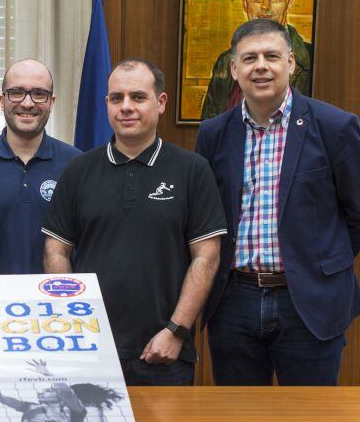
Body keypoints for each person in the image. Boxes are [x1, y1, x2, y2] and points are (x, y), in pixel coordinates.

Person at [196, 19, 360, 385]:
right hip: (234, 302)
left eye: (271, 56)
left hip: (308, 300)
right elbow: (206, 216)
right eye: (249, 58)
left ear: (291, 63)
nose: (260, 65)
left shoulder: (335, 126)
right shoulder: (214, 133)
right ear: (234, 68)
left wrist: (318, 264)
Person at [42, 59, 226, 386]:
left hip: (164, 351)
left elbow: (206, 257)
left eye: (138, 97)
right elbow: (57, 251)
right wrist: (75, 324)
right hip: (90, 351)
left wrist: (176, 330)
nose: (126, 107)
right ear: (107, 105)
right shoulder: (78, 170)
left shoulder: (192, 170)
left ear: (161, 102)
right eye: (117, 98)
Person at [0, 59, 80, 273]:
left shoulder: (76, 165)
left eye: (39, 94)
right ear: (2, 101)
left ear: (52, 102)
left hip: (53, 300)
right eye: (16, 93)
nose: (28, 103)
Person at [201, 0, 313, 120]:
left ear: (290, 3)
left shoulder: (312, 58)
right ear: (245, 2)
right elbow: (211, 129)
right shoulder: (225, 62)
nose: (265, 6)